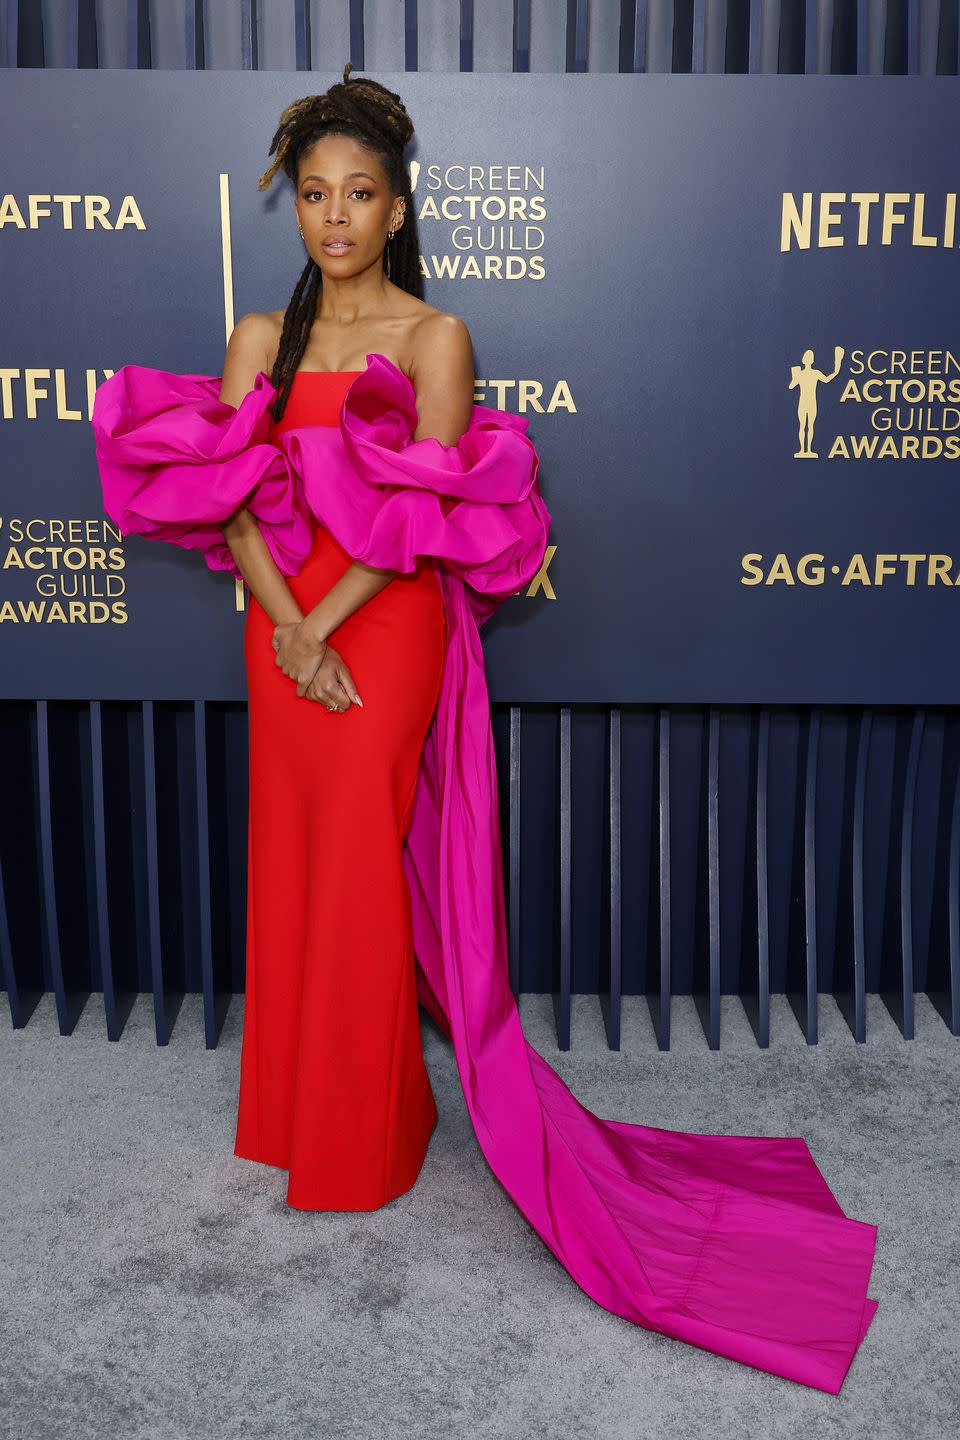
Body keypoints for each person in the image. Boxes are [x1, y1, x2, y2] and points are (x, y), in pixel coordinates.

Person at [92, 64, 878, 1395]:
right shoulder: (255, 341)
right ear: (297, 209)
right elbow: (220, 496)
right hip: (285, 628)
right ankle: (292, 1116)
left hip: (377, 632)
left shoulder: (433, 338)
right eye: (317, 199)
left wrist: (319, 626)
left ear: (398, 209)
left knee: (354, 859)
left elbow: (423, 528)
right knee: (292, 856)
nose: (335, 220)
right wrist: (284, 623)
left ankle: (370, 1139)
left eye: (361, 198)